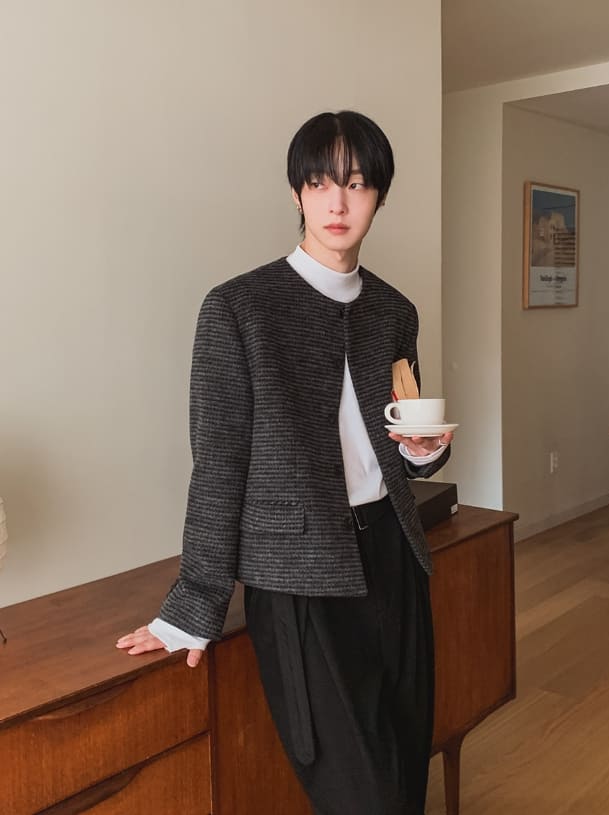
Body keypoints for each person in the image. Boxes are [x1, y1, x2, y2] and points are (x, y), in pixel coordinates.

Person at [117, 110, 453, 815]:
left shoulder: (394, 311)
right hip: (298, 578)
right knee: (360, 791)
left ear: (379, 196)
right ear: (297, 192)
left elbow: (399, 433)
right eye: (320, 183)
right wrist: (194, 604)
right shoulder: (239, 309)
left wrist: (425, 452)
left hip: (394, 557)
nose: (338, 203)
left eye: (356, 184)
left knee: (404, 758)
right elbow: (218, 464)